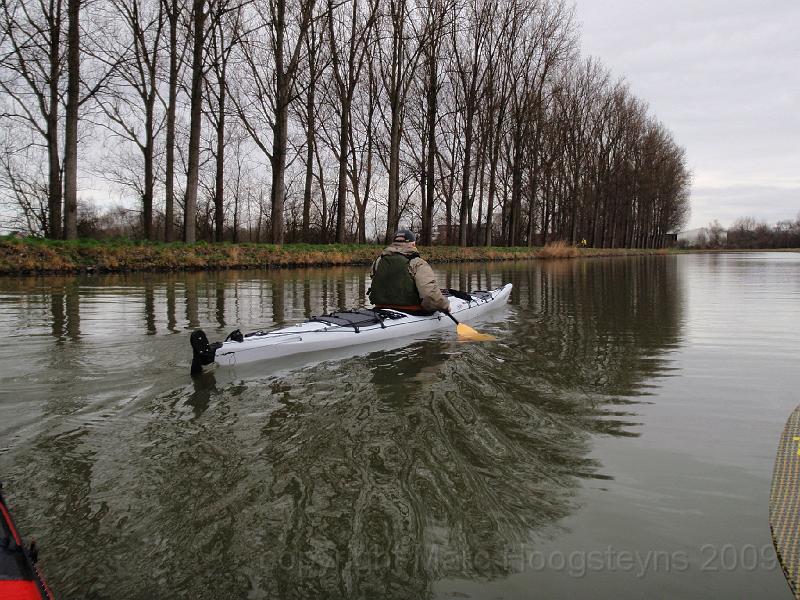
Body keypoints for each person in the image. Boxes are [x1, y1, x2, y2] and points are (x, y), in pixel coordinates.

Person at [368, 229, 450, 314]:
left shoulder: (378, 261)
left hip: (380, 308)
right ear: (413, 244)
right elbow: (429, 295)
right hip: (411, 310)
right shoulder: (417, 263)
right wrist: (444, 306)